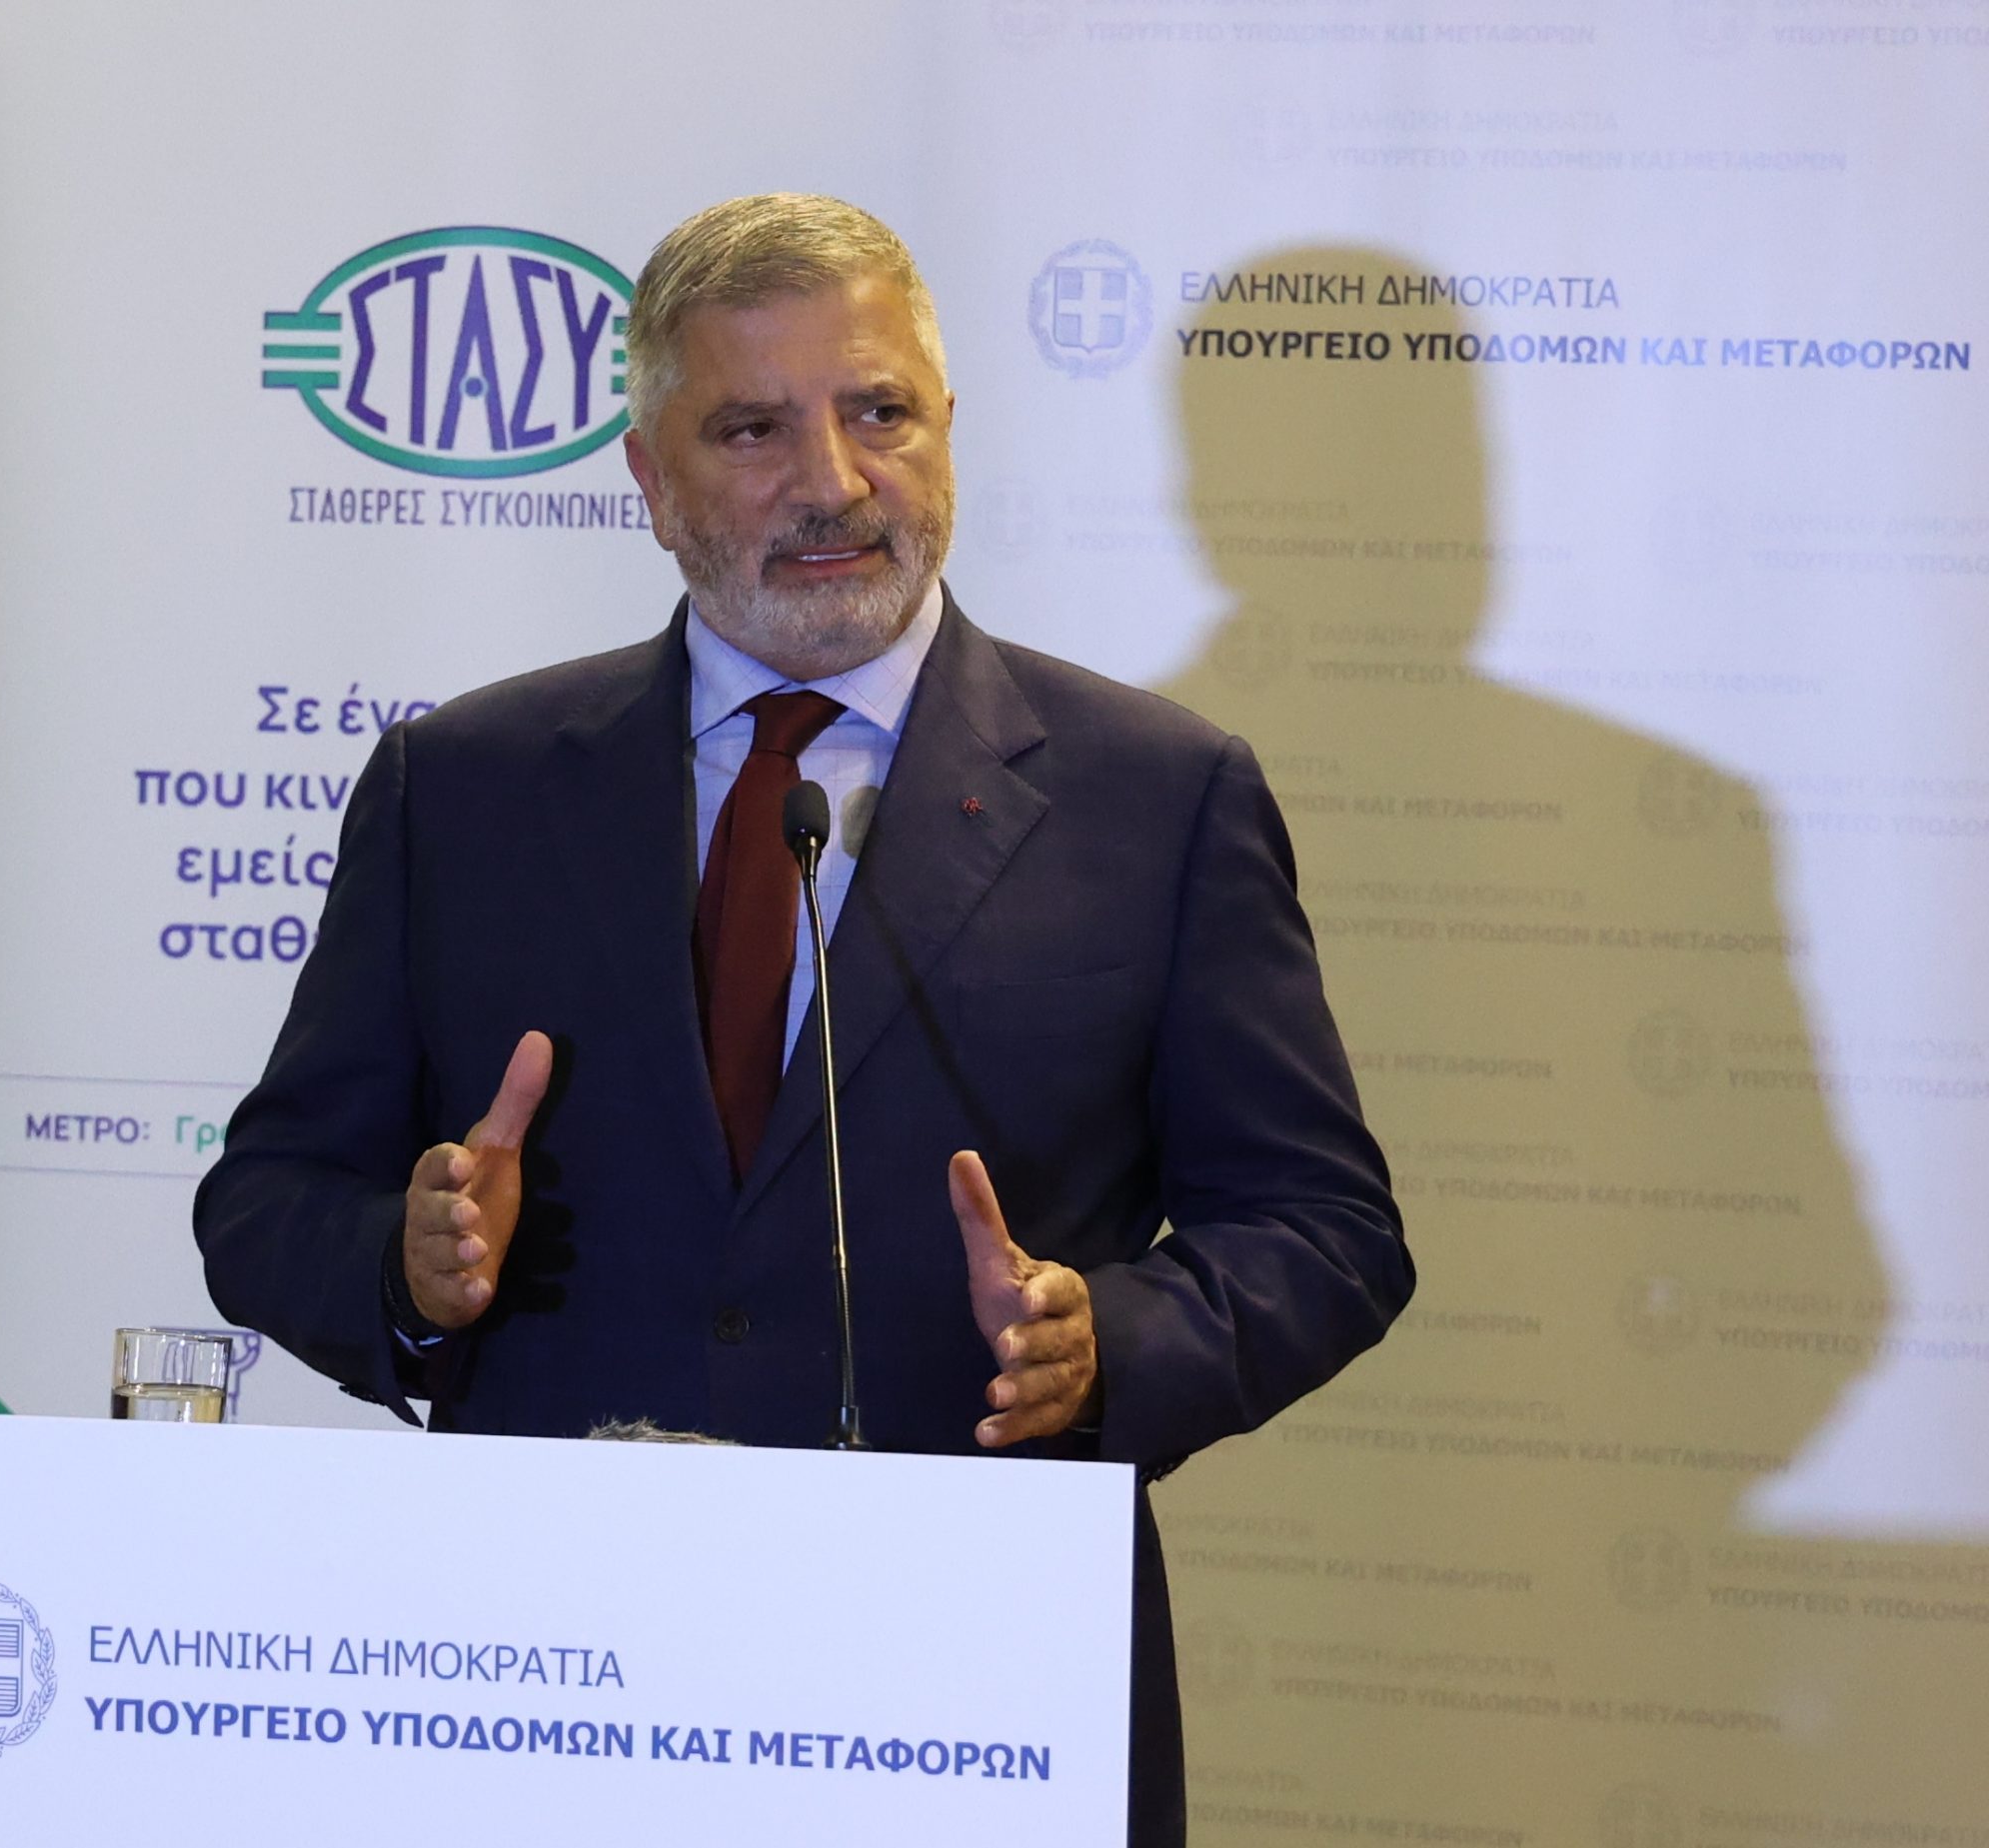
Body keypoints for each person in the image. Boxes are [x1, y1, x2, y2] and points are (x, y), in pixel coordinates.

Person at [196, 193, 1413, 1844]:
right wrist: (408, 1275)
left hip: (974, 1686)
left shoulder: (1159, 795)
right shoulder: (462, 787)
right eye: (753, 428)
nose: (833, 481)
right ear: (651, 479)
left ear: (947, 429)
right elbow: (267, 1198)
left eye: (878, 411)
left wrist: (1103, 1347)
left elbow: (1325, 1229)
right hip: (543, 1682)